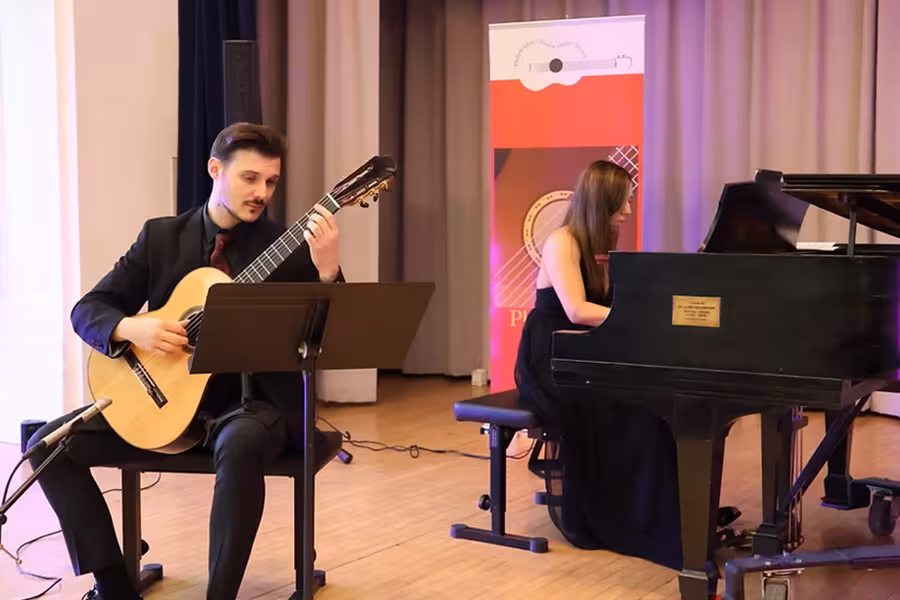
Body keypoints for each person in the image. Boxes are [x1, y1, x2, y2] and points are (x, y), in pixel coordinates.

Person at [26, 122, 344, 600]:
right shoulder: (161, 237)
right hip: (162, 399)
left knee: (238, 445)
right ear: (215, 169)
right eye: (250, 178)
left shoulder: (290, 247)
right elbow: (87, 309)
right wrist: (133, 327)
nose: (262, 193)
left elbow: (331, 337)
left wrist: (328, 271)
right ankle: (115, 586)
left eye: (272, 182)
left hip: (251, 405)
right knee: (45, 444)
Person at [513, 159, 685, 569]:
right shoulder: (562, 241)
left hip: (585, 354)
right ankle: (619, 515)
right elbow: (576, 310)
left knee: (654, 408)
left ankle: (650, 513)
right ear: (600, 202)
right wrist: (640, 321)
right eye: (621, 203)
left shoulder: (599, 243)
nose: (626, 211)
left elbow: (608, 306)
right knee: (630, 413)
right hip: (554, 357)